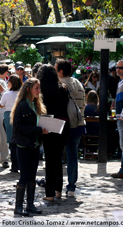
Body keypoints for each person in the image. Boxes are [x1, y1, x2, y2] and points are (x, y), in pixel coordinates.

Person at [11, 78, 48, 216]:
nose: (39, 91)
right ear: (28, 89)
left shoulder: (37, 105)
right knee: (25, 176)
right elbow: (18, 127)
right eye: (36, 88)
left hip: (35, 145)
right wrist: (38, 130)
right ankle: (18, 206)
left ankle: (30, 204)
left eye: (39, 88)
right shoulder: (21, 106)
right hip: (23, 145)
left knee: (32, 176)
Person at [37, 64, 69, 201]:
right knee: (58, 158)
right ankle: (58, 191)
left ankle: (49, 193)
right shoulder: (63, 88)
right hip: (63, 123)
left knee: (50, 159)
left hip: (47, 124)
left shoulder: (41, 90)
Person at [55, 59, 85, 197]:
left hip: (63, 124)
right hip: (78, 124)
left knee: (57, 157)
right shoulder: (78, 83)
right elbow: (82, 105)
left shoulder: (60, 85)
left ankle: (57, 188)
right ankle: (71, 187)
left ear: (61, 71)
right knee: (73, 157)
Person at [0, 74, 22, 173]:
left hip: (8, 116)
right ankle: (20, 164)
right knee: (19, 141)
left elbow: (1, 105)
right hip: (20, 116)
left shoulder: (7, 94)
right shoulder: (22, 94)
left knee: (12, 142)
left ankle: (14, 165)